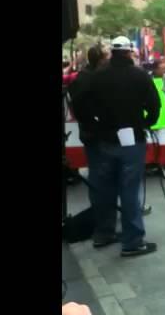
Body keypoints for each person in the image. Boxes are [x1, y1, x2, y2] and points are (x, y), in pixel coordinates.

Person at [84, 36, 160, 257]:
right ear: (129, 52)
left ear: (113, 53)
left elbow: (84, 105)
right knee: (129, 190)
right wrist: (145, 123)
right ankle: (132, 241)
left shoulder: (98, 76)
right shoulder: (139, 75)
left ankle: (104, 233)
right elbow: (154, 105)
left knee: (104, 189)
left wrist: (97, 128)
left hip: (106, 140)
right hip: (131, 140)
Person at [67, 45, 107, 212]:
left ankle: (105, 209)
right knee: (99, 173)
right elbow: (78, 105)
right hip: (95, 132)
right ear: (100, 59)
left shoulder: (87, 77)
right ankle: (101, 210)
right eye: (106, 57)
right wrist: (94, 121)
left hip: (93, 131)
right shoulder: (88, 79)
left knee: (100, 172)